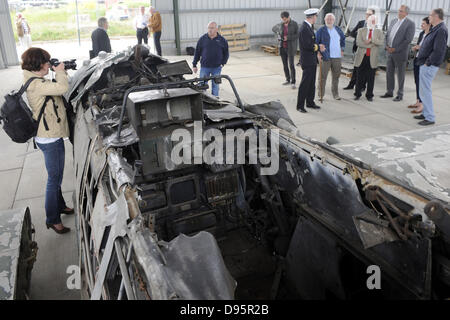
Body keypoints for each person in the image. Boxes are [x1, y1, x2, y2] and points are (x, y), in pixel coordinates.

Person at [21, 47, 74, 234]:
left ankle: (60, 206)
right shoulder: (35, 84)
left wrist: (58, 71)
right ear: (39, 64)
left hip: (48, 135)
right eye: (46, 62)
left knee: (56, 177)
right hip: (49, 138)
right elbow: (62, 88)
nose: (48, 65)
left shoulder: (34, 79)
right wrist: (59, 71)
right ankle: (52, 219)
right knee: (54, 179)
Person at [414, 8, 448, 126]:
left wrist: (428, 62)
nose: (429, 18)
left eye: (430, 16)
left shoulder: (441, 30)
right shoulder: (436, 28)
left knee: (425, 91)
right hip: (425, 63)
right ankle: (425, 113)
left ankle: (430, 117)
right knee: (423, 91)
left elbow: (439, 51)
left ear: (436, 16)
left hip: (429, 65)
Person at [381, 5, 415, 102]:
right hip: (389, 52)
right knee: (389, 73)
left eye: (401, 11)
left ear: (406, 13)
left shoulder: (410, 24)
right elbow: (387, 35)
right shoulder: (393, 21)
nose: (399, 12)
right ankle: (389, 92)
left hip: (400, 53)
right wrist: (386, 46)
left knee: (400, 75)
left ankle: (400, 94)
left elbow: (407, 40)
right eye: (399, 10)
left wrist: (395, 49)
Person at [192, 21, 229, 97]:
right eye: (209, 28)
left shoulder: (222, 40)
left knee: (215, 86)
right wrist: (194, 64)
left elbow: (226, 53)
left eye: (212, 28)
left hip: (217, 67)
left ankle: (215, 101)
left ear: (216, 29)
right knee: (202, 85)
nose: (210, 30)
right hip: (205, 67)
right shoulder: (202, 39)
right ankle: (202, 100)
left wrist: (223, 63)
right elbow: (197, 52)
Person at [353, 15, 384, 102]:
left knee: (371, 78)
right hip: (361, 58)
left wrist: (371, 40)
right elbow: (358, 43)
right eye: (371, 20)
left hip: (372, 58)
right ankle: (357, 94)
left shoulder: (379, 32)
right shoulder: (361, 30)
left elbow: (381, 42)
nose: (372, 22)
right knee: (359, 77)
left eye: (374, 21)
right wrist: (372, 45)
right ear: (367, 21)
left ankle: (369, 95)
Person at [316, 13, 346, 100]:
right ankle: (320, 94)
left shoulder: (338, 30)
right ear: (325, 20)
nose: (329, 21)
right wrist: (318, 53)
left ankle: (335, 94)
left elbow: (343, 40)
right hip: (325, 56)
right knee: (322, 77)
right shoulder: (321, 30)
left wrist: (342, 49)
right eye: (327, 19)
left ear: (334, 20)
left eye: (331, 19)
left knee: (336, 76)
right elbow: (316, 42)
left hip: (337, 57)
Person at [344, 8, 375, 90]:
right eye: (367, 14)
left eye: (370, 14)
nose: (367, 16)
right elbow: (352, 33)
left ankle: (362, 86)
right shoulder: (361, 23)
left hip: (368, 51)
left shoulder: (374, 26)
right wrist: (360, 36)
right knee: (356, 68)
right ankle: (351, 85)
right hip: (358, 49)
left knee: (364, 69)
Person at [296, 8, 320, 113]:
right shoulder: (304, 28)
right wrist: (318, 47)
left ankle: (310, 102)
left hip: (312, 60)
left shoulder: (308, 27)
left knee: (311, 83)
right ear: (313, 17)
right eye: (316, 17)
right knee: (305, 83)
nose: (316, 18)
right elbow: (307, 45)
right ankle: (300, 105)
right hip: (307, 60)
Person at [408, 17, 431, 114]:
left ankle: (422, 104)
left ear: (429, 24)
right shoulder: (422, 34)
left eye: (423, 24)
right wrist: (416, 48)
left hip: (424, 62)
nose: (421, 25)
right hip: (417, 59)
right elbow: (419, 46)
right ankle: (418, 101)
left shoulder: (431, 35)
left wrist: (420, 47)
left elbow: (430, 49)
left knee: (422, 84)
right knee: (417, 82)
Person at [272, 11, 299, 89]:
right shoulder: (281, 24)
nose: (284, 20)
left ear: (288, 17)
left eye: (285, 19)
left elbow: (298, 35)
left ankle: (293, 82)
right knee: (285, 65)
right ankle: (288, 79)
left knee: (291, 65)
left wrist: (289, 38)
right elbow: (277, 31)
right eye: (282, 19)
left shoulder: (294, 24)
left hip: (290, 47)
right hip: (282, 47)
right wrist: (279, 36)